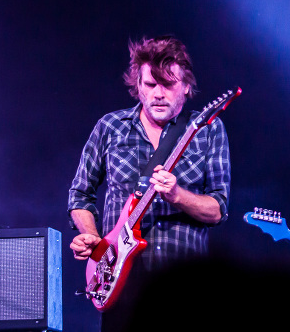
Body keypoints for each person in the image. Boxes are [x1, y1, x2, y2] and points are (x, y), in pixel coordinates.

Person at [67, 35, 231, 330]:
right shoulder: (111, 127)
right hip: (120, 286)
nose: (158, 93)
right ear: (138, 87)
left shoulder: (208, 130)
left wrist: (178, 195)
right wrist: (93, 239)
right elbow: (80, 195)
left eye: (168, 84)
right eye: (150, 85)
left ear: (186, 86)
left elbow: (217, 209)